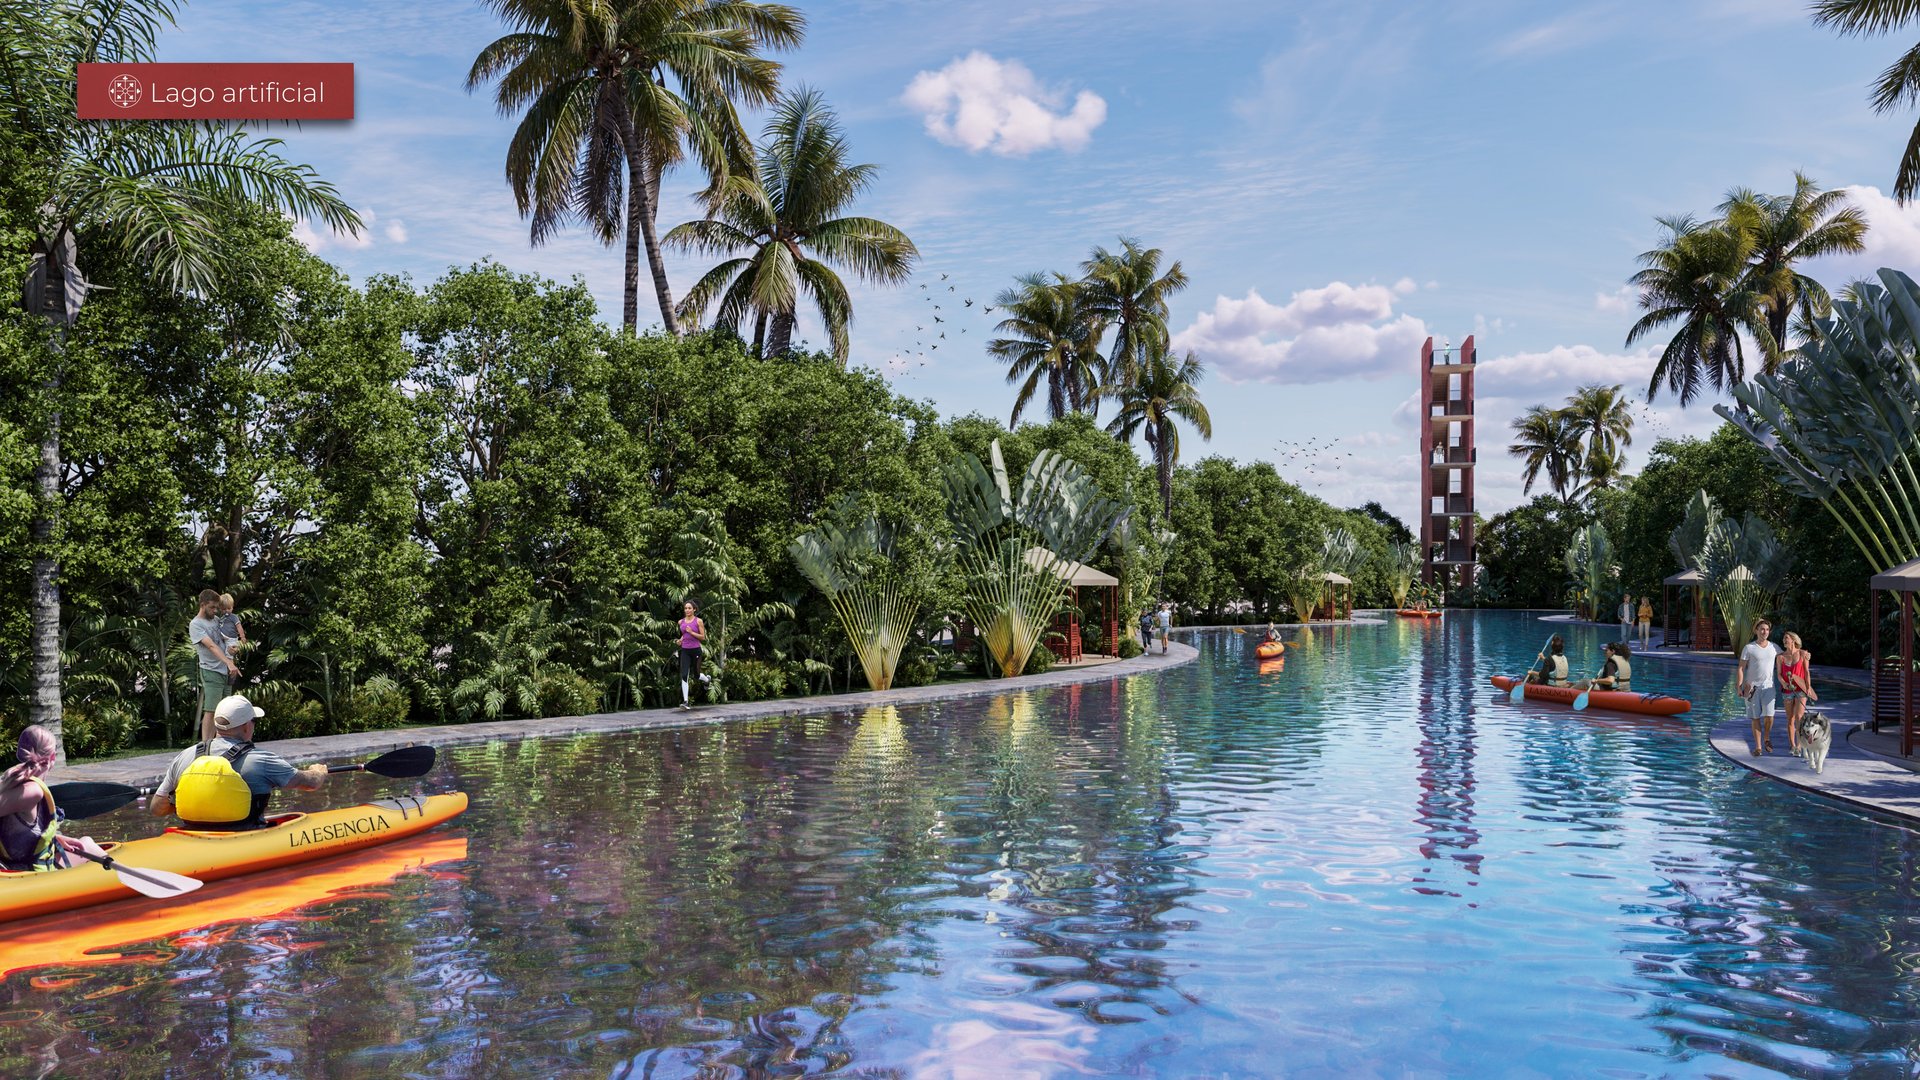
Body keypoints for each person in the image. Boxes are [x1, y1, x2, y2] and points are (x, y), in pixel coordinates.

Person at [151, 695, 327, 829]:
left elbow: (157, 808)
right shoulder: (262, 760)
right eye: (253, 721)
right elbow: (310, 784)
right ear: (246, 726)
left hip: (193, 837)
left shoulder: (185, 756)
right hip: (245, 837)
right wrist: (318, 771)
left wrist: (200, 800)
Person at [0, 726, 87, 871]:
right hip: (31, 877)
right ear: (52, 757)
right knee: (89, 846)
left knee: (86, 842)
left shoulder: (11, 781)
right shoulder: (32, 791)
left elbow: (18, 835)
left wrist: (55, 838)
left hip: (17, 868)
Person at [189, 589, 241, 742]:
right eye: (212, 607)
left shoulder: (217, 620)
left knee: (224, 711)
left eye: (216, 608)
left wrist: (233, 650)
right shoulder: (196, 624)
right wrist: (229, 663)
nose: (215, 610)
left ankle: (220, 743)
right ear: (203, 604)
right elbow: (211, 646)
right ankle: (205, 747)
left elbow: (225, 641)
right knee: (211, 710)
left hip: (226, 670)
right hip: (211, 670)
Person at [1738, 619, 1781, 756]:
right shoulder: (1749, 648)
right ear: (1756, 630)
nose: (1765, 632)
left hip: (1769, 687)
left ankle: (1766, 737)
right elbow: (1741, 668)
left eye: (1767, 629)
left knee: (1769, 716)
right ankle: (1758, 747)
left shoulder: (1774, 647)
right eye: (1762, 629)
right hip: (1751, 689)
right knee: (1755, 717)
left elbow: (1788, 656)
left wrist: (1803, 653)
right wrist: (1739, 686)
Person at [1778, 630, 1818, 755]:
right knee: (1790, 718)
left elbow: (1806, 672)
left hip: (1800, 690)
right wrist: (1784, 683)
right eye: (1784, 638)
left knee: (1799, 718)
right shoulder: (1780, 657)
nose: (1784, 640)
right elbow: (1779, 674)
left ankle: (1800, 746)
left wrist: (1808, 688)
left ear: (1793, 640)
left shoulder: (1803, 654)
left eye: (1786, 638)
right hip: (1787, 690)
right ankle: (1792, 746)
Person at [677, 600, 709, 710]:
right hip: (685, 650)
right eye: (685, 608)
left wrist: (691, 632)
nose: (687, 610)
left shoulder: (698, 621)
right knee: (684, 674)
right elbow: (684, 634)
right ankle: (685, 702)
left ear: (694, 609)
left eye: (689, 608)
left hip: (696, 651)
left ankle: (707, 680)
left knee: (696, 675)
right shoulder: (681, 622)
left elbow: (702, 637)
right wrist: (680, 640)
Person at [217, 592, 248, 660]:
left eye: (229, 608)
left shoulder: (234, 617)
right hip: (222, 637)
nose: (226, 611)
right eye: (224, 609)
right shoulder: (220, 617)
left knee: (229, 654)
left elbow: (239, 627)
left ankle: (231, 668)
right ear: (220, 608)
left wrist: (242, 636)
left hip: (231, 638)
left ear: (232, 606)